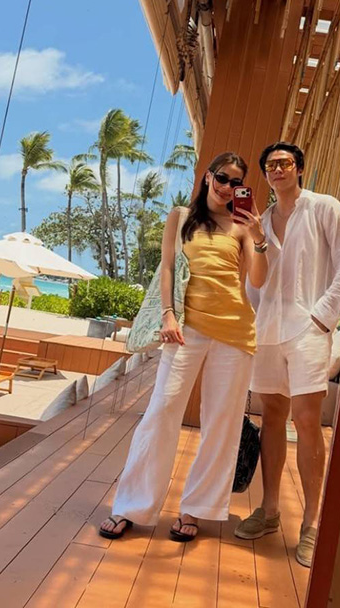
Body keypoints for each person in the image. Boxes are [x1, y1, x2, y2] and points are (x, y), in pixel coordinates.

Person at [99, 151, 268, 543]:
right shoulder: (179, 217)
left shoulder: (242, 227)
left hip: (236, 331)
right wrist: (168, 315)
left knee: (221, 424)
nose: (227, 187)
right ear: (208, 177)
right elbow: (168, 268)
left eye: (236, 183)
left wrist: (259, 238)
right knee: (161, 412)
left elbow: (258, 281)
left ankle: (196, 509)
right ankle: (131, 506)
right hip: (185, 327)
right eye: (222, 178)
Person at [235, 142, 340, 568]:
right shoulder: (262, 220)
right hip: (269, 329)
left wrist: (323, 318)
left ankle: (311, 523)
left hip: (308, 327)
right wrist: (255, 312)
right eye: (270, 165)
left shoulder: (324, 208)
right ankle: (270, 510)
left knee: (307, 421)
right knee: (272, 417)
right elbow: (255, 282)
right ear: (265, 175)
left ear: (300, 168)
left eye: (285, 162)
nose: (278, 169)